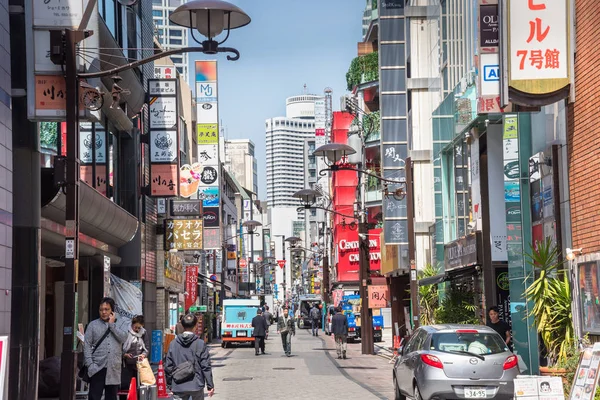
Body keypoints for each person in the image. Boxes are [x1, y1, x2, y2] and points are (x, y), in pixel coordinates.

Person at [83, 297, 128, 400]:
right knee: (94, 397)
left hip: (113, 368)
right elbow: (87, 346)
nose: (103, 312)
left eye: (106, 309)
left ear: (112, 311)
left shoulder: (121, 324)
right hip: (97, 367)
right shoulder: (93, 325)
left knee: (111, 397)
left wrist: (112, 325)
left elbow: (124, 338)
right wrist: (90, 365)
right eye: (101, 309)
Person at [165, 314, 214, 400]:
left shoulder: (173, 344)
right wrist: (210, 385)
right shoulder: (200, 343)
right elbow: (206, 366)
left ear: (183, 326)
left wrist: (170, 385)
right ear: (195, 326)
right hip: (196, 385)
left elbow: (168, 366)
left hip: (178, 385)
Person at [121, 315, 149, 390]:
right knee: (126, 387)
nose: (137, 329)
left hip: (139, 364)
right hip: (126, 364)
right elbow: (119, 348)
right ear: (132, 325)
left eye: (139, 328)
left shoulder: (143, 333)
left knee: (138, 387)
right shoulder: (125, 332)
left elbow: (146, 347)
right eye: (135, 327)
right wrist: (125, 355)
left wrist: (143, 355)